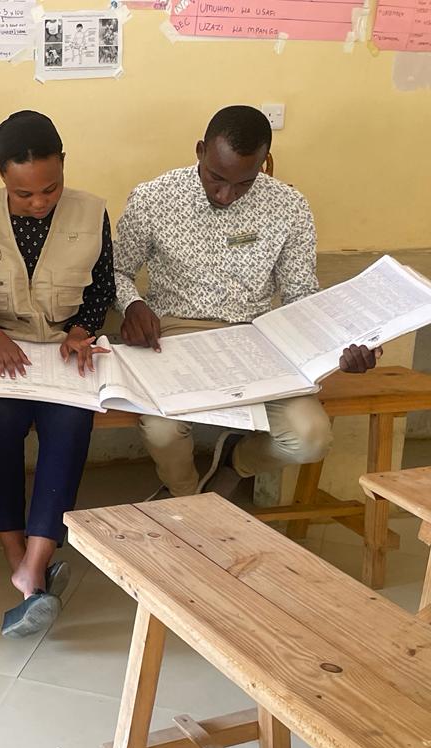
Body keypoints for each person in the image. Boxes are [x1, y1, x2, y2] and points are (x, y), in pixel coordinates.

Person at [115, 105, 379, 499]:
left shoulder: (289, 207)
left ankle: (235, 462)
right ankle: (189, 499)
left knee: (311, 437)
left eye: (243, 184)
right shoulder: (153, 198)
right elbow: (116, 270)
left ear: (263, 164)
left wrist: (336, 347)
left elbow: (300, 295)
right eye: (215, 178)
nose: (225, 195)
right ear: (200, 150)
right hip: (174, 333)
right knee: (162, 431)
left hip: (257, 339)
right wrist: (133, 303)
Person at [0, 111, 115, 637]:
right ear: (2, 176)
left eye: (50, 189)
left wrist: (81, 330)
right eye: (25, 195)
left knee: (70, 426)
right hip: (2, 356)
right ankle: (18, 557)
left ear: (63, 166)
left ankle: (34, 566)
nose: (39, 203)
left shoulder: (91, 213)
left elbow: (102, 289)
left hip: (63, 355)